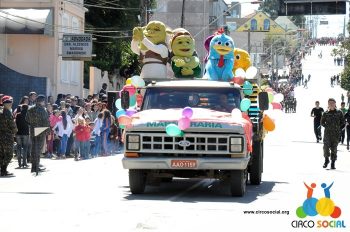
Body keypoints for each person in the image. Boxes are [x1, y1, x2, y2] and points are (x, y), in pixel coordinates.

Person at [26, 95, 50, 175]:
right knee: (38, 149)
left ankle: (33, 167)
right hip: (40, 130)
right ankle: (36, 166)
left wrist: (33, 124)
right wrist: (48, 132)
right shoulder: (43, 110)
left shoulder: (30, 108)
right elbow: (46, 121)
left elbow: (27, 119)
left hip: (33, 130)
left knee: (33, 149)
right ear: (42, 101)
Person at [321, 98, 345, 169]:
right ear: (328, 104)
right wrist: (327, 127)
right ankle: (326, 160)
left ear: (335, 104)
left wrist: (339, 129)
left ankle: (333, 163)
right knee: (325, 147)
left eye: (332, 103)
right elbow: (322, 122)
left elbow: (343, 122)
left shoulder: (339, 112)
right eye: (329, 103)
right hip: (327, 134)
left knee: (334, 149)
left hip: (336, 134)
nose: (331, 104)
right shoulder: (325, 113)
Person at [0, 96, 18, 176]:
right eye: (10, 104)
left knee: (1, 154)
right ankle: (3, 170)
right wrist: (15, 131)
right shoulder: (7, 112)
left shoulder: (0, 110)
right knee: (9, 154)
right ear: (6, 104)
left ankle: (2, 170)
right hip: (7, 135)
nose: (11, 105)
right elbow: (12, 124)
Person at [15, 104, 30, 168]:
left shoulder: (18, 114)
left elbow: (15, 123)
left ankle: (19, 164)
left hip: (18, 133)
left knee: (18, 147)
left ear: (22, 108)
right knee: (25, 148)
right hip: (26, 133)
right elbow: (30, 123)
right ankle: (24, 163)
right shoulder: (28, 115)